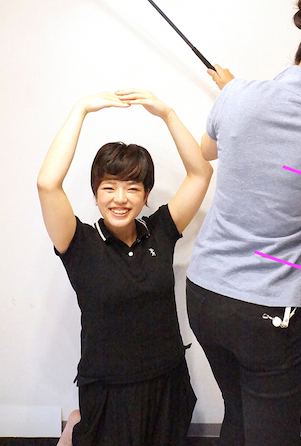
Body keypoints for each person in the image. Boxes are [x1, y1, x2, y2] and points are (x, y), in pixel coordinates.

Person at [186, 0, 301, 446]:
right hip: (267, 313)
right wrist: (237, 90)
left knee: (238, 415)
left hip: (205, 294)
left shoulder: (238, 97)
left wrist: (233, 92)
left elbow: (208, 151)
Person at [37, 89, 213, 446]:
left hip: (166, 378)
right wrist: (81, 109)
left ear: (146, 196)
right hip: (109, 387)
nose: (120, 198)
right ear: (96, 194)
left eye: (133, 188)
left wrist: (167, 113)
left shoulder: (161, 231)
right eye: (109, 187)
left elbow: (200, 173)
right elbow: (47, 184)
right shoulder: (79, 242)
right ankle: (76, 425)